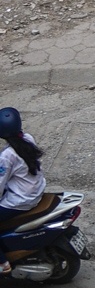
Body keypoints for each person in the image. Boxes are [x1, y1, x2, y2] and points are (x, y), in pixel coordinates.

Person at [0, 109, 54, 277]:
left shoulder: (7, 156)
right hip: (35, 192)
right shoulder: (27, 139)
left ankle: (3, 263)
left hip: (20, 201)